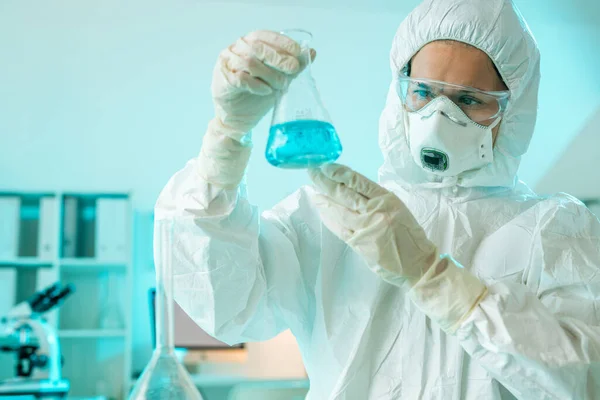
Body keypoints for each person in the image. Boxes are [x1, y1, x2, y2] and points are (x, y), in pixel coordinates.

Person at [155, 0, 600, 398]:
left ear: (514, 109)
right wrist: (227, 138)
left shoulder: (556, 230)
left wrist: (434, 277)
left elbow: (584, 380)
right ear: (400, 90)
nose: (440, 116)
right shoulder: (341, 215)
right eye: (423, 92)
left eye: (469, 100)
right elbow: (226, 304)